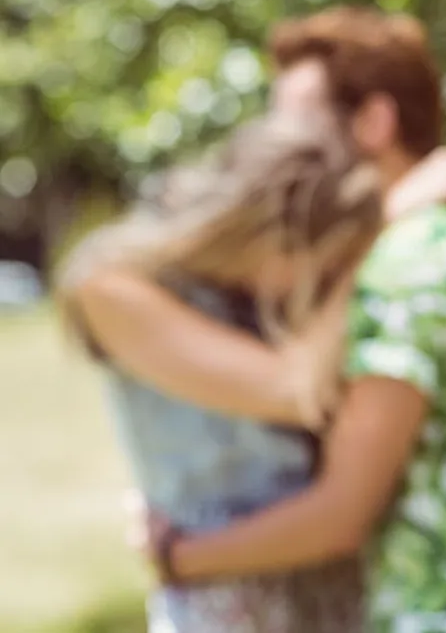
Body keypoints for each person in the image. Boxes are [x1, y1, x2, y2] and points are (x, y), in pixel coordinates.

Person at [121, 7, 446, 633]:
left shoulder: (399, 272)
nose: (280, 144)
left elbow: (341, 514)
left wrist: (176, 558)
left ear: (374, 122)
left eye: (298, 122)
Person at [58, 114, 385, 632]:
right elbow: (293, 390)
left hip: (327, 589)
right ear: (265, 231)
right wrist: (372, 249)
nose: (320, 282)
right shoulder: (111, 284)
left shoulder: (257, 299)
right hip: (224, 601)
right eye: (321, 262)